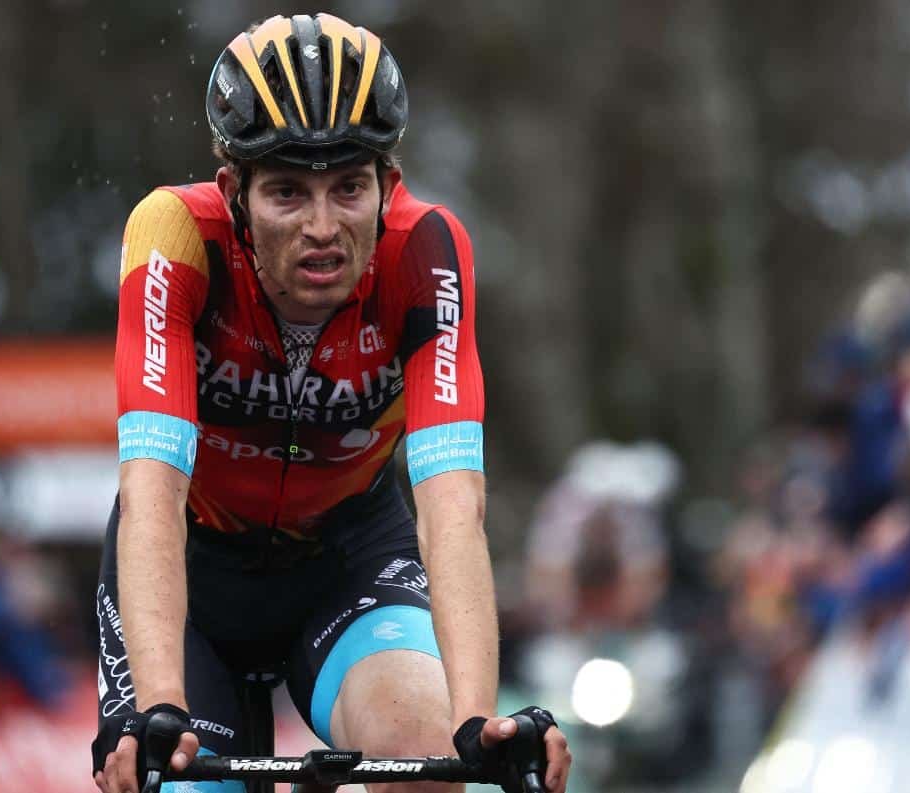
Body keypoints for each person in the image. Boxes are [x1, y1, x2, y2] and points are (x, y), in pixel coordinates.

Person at [90, 12, 570, 793]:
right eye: (286, 191)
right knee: (181, 781)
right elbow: (152, 494)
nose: (323, 228)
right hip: (192, 565)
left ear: (387, 182)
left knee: (423, 765)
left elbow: (452, 508)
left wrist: (479, 723)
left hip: (349, 559)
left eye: (348, 187)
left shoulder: (427, 250)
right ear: (233, 193)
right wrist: (159, 709)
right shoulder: (176, 237)